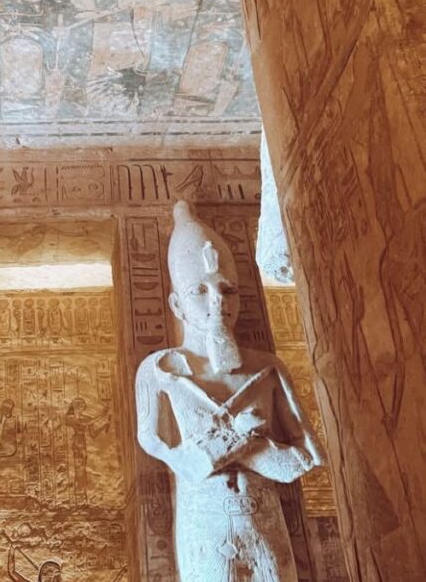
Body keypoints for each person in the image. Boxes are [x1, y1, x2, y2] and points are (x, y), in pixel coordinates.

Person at [136, 201, 323, 582]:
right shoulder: (160, 369)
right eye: (199, 291)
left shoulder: (266, 367)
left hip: (265, 522)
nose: (217, 303)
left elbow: (305, 455)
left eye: (227, 289)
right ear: (177, 304)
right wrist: (236, 438)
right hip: (203, 525)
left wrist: (247, 445)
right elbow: (166, 450)